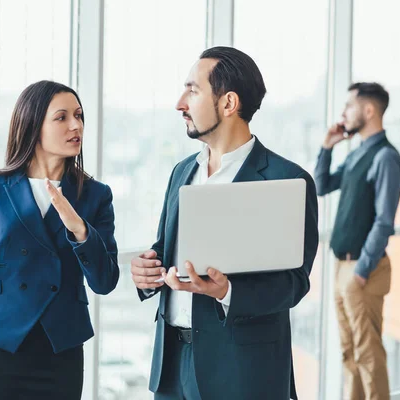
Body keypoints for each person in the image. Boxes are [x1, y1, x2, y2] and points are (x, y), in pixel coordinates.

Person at [130, 46, 319, 400]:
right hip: (173, 365)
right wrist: (147, 270)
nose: (180, 103)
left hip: (241, 372)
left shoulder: (286, 180)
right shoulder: (182, 171)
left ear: (229, 103)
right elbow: (166, 248)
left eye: (193, 90)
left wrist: (225, 292)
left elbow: (295, 282)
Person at [0, 80, 120, 400]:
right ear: (33, 125)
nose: (75, 125)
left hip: (60, 347)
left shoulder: (95, 195)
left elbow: (105, 281)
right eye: (62, 117)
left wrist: (80, 231)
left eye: (79, 116)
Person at [314, 82, 400, 400]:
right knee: (349, 354)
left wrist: (362, 271)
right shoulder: (357, 154)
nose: (343, 113)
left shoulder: (385, 158)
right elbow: (322, 185)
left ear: (368, 111)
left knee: (368, 357)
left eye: (348, 106)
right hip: (342, 266)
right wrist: (327, 146)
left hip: (363, 271)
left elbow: (383, 222)